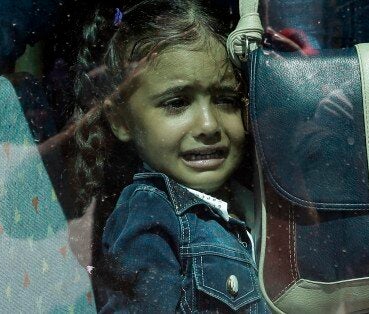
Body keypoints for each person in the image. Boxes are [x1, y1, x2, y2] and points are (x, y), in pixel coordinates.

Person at [72, 0, 269, 312]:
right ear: (121, 120)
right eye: (177, 103)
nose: (209, 125)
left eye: (226, 100)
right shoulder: (150, 215)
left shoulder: (256, 202)